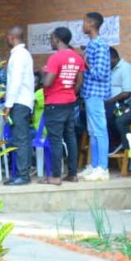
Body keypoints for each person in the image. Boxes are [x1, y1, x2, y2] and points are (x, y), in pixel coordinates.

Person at [42, 27, 85, 186]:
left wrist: (42, 73)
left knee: (55, 139)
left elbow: (48, 82)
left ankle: (55, 176)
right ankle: (72, 174)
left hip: (54, 103)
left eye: (51, 39)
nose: (51, 42)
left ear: (57, 39)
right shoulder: (77, 57)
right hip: (69, 102)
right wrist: (70, 93)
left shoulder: (55, 58)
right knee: (70, 138)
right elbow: (79, 82)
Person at [79, 12, 112, 182]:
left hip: (96, 93)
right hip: (89, 93)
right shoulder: (92, 44)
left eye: (84, 22)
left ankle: (103, 168)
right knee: (92, 132)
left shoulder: (99, 44)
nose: (82, 25)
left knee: (99, 131)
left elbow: (99, 73)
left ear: (91, 23)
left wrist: (85, 62)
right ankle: (94, 165)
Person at [3, 27, 34, 186]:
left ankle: (23, 175)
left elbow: (15, 82)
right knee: (23, 139)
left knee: (20, 139)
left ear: (12, 37)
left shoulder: (18, 56)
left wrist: (8, 105)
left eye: (8, 37)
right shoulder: (24, 54)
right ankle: (23, 173)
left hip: (19, 102)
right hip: (24, 102)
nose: (7, 39)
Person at [106, 47, 131, 155]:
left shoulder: (125, 68)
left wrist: (109, 101)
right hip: (113, 103)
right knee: (91, 114)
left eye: (106, 60)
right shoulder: (112, 69)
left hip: (126, 105)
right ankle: (108, 142)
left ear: (113, 57)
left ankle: (116, 142)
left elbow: (127, 93)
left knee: (109, 114)